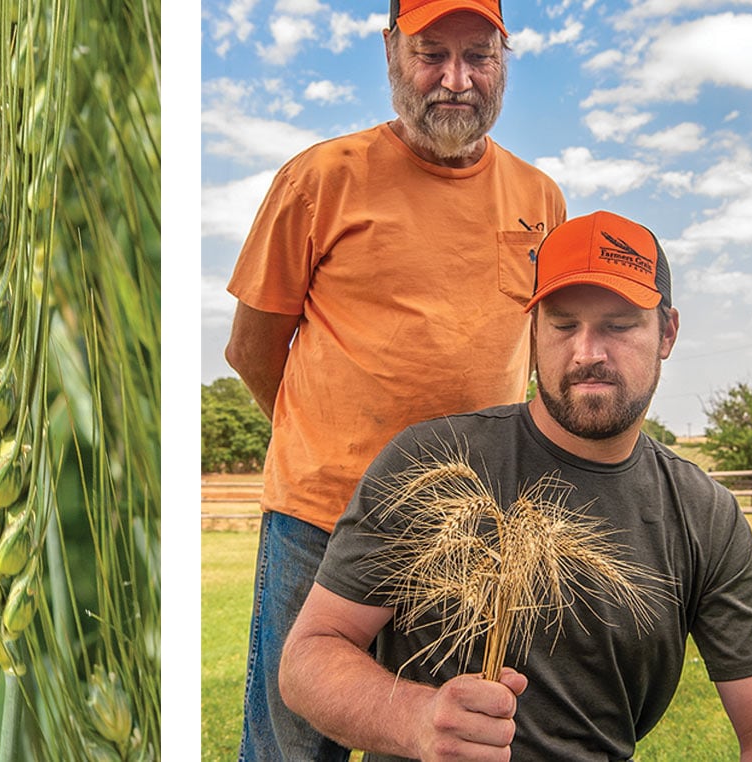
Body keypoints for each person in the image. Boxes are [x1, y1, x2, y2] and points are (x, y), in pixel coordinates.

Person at [279, 210, 752, 761]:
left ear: (667, 332)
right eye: (564, 325)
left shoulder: (704, 513)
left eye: (619, 325)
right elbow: (310, 656)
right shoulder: (431, 462)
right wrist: (416, 719)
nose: (588, 353)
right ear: (534, 329)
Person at [224, 1, 566, 758]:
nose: (455, 79)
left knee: (432, 739)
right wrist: (327, 451)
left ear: (505, 60)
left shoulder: (540, 200)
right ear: (389, 52)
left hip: (463, 536)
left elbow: (543, 357)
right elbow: (252, 349)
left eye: (478, 55)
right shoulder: (320, 178)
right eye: (430, 52)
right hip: (318, 522)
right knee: (293, 743)